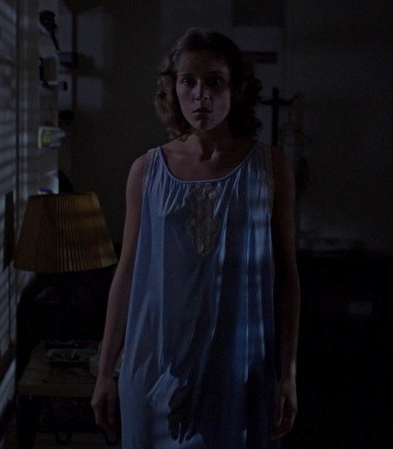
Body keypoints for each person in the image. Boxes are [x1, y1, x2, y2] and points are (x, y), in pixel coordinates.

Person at [90, 28, 300, 448]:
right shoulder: (147, 170)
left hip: (237, 371)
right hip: (154, 367)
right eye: (188, 81)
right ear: (173, 88)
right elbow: (127, 272)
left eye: (214, 81)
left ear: (236, 88)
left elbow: (287, 277)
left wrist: (288, 374)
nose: (200, 95)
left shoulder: (270, 167)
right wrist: (104, 372)